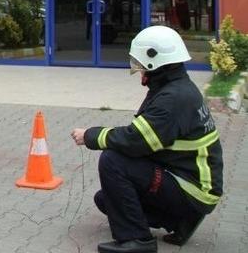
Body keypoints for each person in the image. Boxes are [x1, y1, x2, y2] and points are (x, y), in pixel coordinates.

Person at [71, 25, 223, 253]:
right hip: (189, 182)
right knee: (107, 200)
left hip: (192, 190)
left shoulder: (173, 98)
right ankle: (180, 221)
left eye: (141, 64)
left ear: (156, 61)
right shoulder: (175, 87)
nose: (139, 70)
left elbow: (136, 141)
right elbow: (146, 139)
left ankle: (138, 240)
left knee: (113, 160)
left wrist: (91, 135)